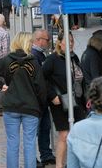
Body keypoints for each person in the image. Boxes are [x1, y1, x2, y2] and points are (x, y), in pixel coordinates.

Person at [0, 32, 47, 168]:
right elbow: (41, 88)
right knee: (29, 144)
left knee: (12, 143)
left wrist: (1, 85)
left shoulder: (7, 60)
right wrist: (41, 107)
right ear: (26, 43)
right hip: (31, 107)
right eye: (30, 42)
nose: (31, 44)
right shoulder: (34, 63)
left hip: (11, 106)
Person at [42, 31, 87, 168]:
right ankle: (59, 165)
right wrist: (52, 95)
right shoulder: (52, 59)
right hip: (60, 102)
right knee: (64, 134)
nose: (71, 43)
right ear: (59, 43)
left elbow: (80, 79)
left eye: (72, 41)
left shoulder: (74, 58)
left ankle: (75, 163)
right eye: (68, 41)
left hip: (77, 101)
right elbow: (42, 78)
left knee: (79, 133)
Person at [31, 30, 56, 166]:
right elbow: (40, 79)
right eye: (47, 40)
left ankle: (46, 154)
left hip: (43, 99)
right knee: (36, 129)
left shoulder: (40, 54)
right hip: (37, 99)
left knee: (45, 127)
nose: (48, 42)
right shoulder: (34, 56)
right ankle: (33, 157)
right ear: (39, 39)